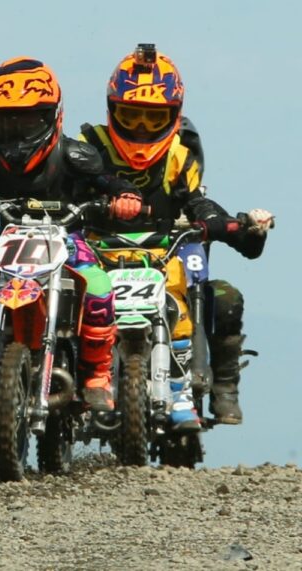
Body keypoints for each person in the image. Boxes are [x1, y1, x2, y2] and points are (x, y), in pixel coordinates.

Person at [0, 57, 145, 412]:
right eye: (5, 122)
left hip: (69, 241)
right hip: (13, 243)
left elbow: (110, 182)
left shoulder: (78, 156)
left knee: (98, 286)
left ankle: (97, 374)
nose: (16, 132)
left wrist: (125, 198)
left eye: (27, 121)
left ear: (51, 117)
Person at [78, 43, 273, 426]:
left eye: (153, 119)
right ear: (112, 110)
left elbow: (199, 203)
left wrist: (246, 226)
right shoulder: (88, 148)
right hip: (96, 254)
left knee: (223, 297)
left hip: (163, 256)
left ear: (174, 116)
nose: (140, 128)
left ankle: (220, 387)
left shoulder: (180, 156)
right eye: (131, 115)